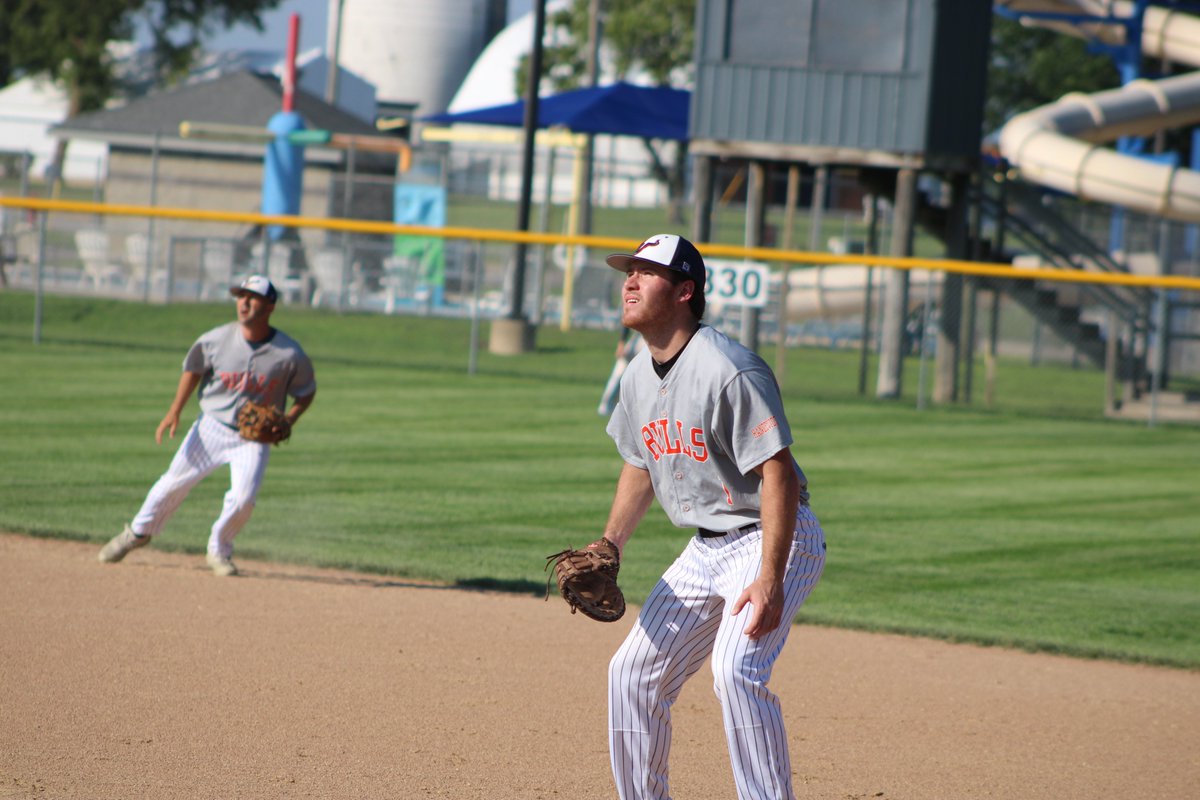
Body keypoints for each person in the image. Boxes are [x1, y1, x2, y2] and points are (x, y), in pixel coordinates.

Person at [598, 233, 826, 800]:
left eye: (645, 273)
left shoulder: (729, 368)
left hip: (772, 536)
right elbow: (640, 463)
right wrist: (610, 546)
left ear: (684, 291)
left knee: (735, 670)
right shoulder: (634, 377)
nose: (629, 281)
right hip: (706, 550)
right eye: (628, 271)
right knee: (630, 675)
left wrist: (769, 578)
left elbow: (778, 473)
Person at [97, 275, 317, 576]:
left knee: (243, 499)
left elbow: (306, 391)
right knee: (172, 484)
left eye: (252, 298)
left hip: (253, 440)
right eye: (241, 296)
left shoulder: (289, 353)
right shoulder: (216, 339)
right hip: (212, 427)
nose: (244, 302)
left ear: (269, 306)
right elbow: (193, 369)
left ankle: (219, 550)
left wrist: (289, 419)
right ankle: (136, 533)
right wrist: (175, 410)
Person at [597, 327, 644, 416]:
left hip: (652, 340)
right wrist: (621, 343)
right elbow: (627, 321)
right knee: (619, 371)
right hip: (640, 337)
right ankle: (606, 405)